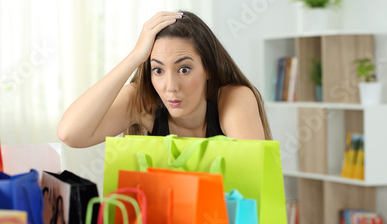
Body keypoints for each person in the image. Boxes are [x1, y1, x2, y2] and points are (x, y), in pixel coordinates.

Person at [57, 11, 272, 148]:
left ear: (208, 69)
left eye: (184, 69)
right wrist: (134, 58)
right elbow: (70, 134)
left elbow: (250, 179)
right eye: (158, 70)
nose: (170, 87)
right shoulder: (144, 102)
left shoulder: (234, 97)